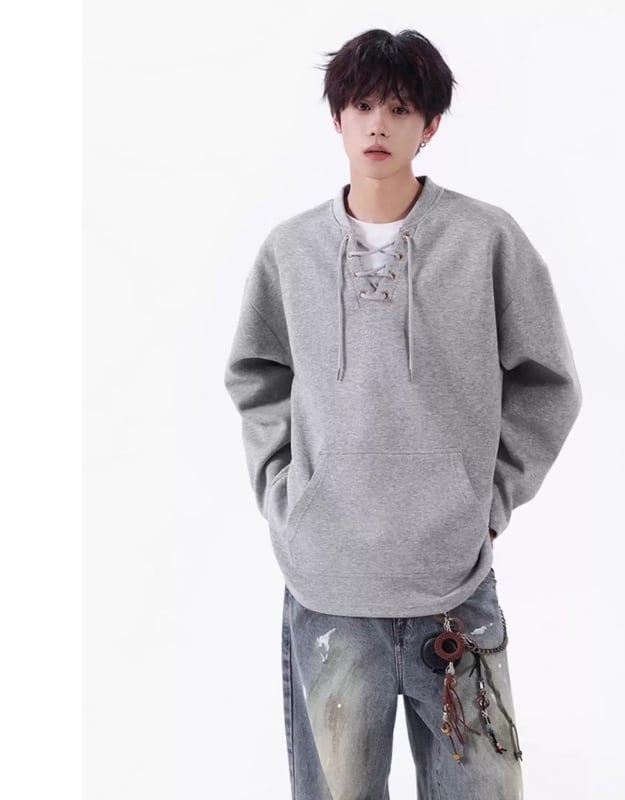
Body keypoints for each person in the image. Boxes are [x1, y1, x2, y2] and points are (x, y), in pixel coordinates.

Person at [224, 27, 582, 800]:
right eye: (361, 106)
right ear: (337, 119)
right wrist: (289, 499)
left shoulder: (487, 239)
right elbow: (256, 377)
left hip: (454, 587)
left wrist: (488, 502)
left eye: (398, 108)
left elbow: (548, 382)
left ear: (431, 124)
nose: (378, 125)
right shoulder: (290, 251)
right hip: (328, 589)